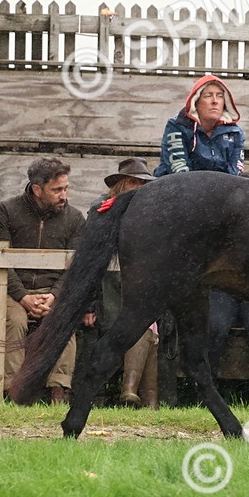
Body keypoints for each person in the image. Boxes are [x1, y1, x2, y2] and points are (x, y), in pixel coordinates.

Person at [154, 74, 249, 403]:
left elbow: (235, 174)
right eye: (208, 95)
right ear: (195, 102)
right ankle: (201, 396)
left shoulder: (233, 133)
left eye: (219, 96)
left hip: (221, 215)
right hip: (181, 198)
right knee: (216, 326)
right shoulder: (176, 128)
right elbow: (179, 168)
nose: (214, 101)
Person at [0, 157, 86, 404]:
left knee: (64, 322)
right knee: (13, 321)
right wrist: (22, 296)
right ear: (37, 189)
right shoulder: (6, 211)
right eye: (57, 190)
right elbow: (1, 258)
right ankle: (12, 391)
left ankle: (59, 390)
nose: (63, 195)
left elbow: (75, 267)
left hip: (53, 291)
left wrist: (54, 295)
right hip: (14, 290)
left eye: (66, 188)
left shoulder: (76, 218)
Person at [86, 158, 159, 408]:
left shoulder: (152, 211)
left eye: (142, 183)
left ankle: (141, 398)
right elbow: (92, 258)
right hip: (108, 287)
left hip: (142, 286)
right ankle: (141, 398)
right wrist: (89, 304)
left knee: (150, 327)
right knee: (142, 325)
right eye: (132, 182)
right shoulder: (102, 208)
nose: (138, 187)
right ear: (120, 184)